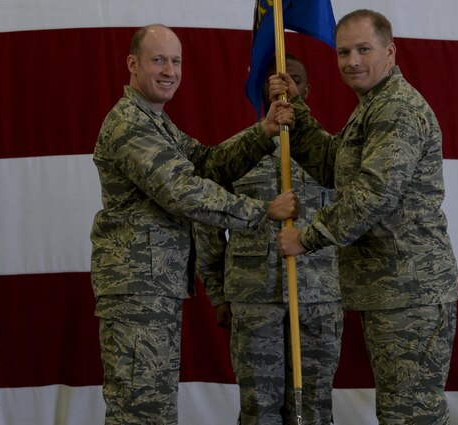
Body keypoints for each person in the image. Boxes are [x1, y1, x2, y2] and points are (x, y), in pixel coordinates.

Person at [90, 24, 299, 425]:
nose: (169, 70)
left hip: (153, 287)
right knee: (141, 410)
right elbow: (182, 191)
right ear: (133, 64)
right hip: (138, 289)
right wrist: (261, 211)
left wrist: (263, 133)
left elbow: (205, 164)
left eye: (176, 61)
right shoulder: (129, 124)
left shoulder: (155, 121)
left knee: (153, 407)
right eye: (158, 60)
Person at [273, 10, 458, 425]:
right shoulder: (373, 106)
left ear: (390, 51)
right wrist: (298, 114)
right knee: (403, 413)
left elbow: (374, 194)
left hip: (410, 291)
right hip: (393, 289)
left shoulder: (395, 109)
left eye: (363, 49)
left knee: (410, 416)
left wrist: (307, 237)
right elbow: (333, 166)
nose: (352, 61)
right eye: (343, 52)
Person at [195, 55, 343, 425]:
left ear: (306, 89)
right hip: (253, 299)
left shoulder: (331, 155)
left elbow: (353, 218)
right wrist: (217, 291)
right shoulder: (239, 152)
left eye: (294, 79)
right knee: (259, 410)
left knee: (313, 409)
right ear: (264, 89)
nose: (285, 85)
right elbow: (208, 222)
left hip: (318, 299)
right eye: (276, 79)